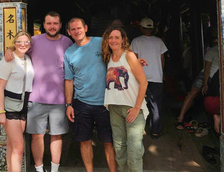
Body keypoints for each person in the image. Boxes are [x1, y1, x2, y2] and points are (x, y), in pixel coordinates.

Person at [5, 11, 73, 172]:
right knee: (37, 136)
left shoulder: (67, 42)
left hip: (59, 98)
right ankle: (39, 169)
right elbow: (19, 46)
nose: (52, 26)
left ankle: (55, 169)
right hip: (35, 97)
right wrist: (9, 48)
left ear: (60, 25)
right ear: (43, 25)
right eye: (49, 23)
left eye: (55, 23)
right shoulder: (34, 41)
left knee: (57, 135)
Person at [64, 17, 117, 172]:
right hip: (81, 103)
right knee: (84, 141)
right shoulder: (69, 52)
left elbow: (119, 53)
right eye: (73, 29)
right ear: (68, 32)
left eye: (79, 28)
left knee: (108, 141)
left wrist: (133, 59)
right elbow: (68, 80)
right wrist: (68, 105)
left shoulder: (101, 42)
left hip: (105, 102)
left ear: (85, 28)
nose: (76, 31)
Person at [102, 26, 148, 172]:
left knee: (134, 149)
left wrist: (137, 107)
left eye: (117, 37)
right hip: (114, 107)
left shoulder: (128, 55)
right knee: (119, 148)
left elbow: (144, 82)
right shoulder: (108, 57)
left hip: (132, 107)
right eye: (110, 38)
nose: (113, 40)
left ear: (123, 40)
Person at [0, 31, 35, 172]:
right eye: (19, 42)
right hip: (10, 107)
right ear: (14, 44)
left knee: (12, 145)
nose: (22, 45)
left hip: (24, 106)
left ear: (30, 44)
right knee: (19, 147)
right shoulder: (7, 61)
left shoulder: (28, 59)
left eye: (26, 42)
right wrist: (1, 111)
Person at [130, 18, 168, 139]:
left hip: (140, 77)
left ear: (141, 28)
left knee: (139, 103)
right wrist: (161, 73)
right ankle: (155, 131)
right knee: (156, 104)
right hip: (157, 77)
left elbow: (133, 59)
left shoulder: (136, 41)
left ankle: (138, 129)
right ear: (152, 29)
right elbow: (162, 59)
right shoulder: (159, 42)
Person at [176, 35, 220, 129]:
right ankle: (181, 117)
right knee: (193, 92)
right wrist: (205, 83)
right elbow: (207, 68)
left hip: (219, 78)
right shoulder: (213, 51)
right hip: (207, 75)